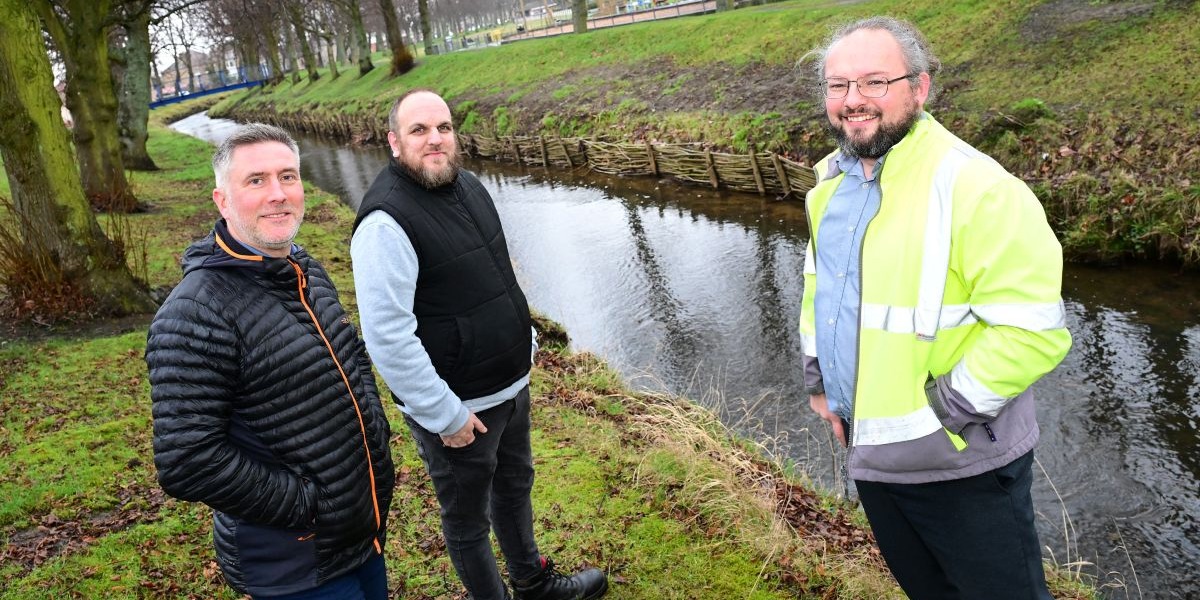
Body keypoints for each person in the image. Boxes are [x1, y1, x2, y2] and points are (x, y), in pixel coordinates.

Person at [798, 17, 1073, 600]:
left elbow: (1034, 331)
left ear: (919, 89)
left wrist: (945, 413)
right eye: (838, 85)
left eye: (875, 82)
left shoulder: (978, 187)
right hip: (871, 457)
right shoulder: (829, 185)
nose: (854, 101)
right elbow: (821, 294)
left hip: (960, 467)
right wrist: (821, 382)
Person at [350, 89, 608, 600]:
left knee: (515, 487)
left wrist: (523, 337)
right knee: (468, 520)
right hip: (460, 410)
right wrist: (444, 415)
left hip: (509, 385)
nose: (435, 139)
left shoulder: (467, 185)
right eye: (419, 130)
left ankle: (532, 584)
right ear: (394, 141)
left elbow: (494, 275)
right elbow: (387, 337)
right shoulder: (384, 224)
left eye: (443, 127)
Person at [146, 123, 395, 600]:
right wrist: (309, 505)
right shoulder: (194, 313)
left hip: (360, 535)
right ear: (223, 201)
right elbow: (187, 461)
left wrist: (375, 438)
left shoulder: (302, 268)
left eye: (288, 176)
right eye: (256, 181)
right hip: (297, 566)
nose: (278, 194)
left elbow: (348, 353)